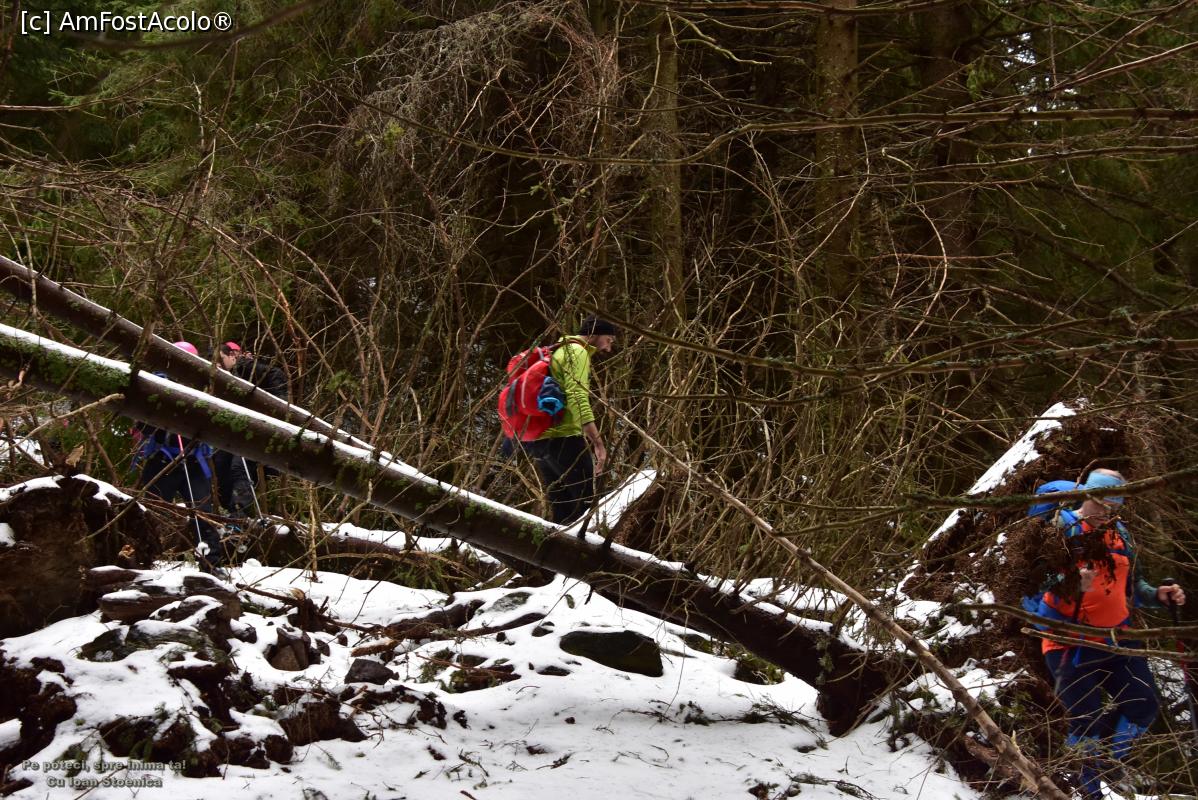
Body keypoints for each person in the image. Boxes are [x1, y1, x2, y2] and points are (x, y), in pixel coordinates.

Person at [1035, 468, 1186, 799]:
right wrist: (1070, 584)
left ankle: (1104, 763)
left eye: (1115, 507)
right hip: (1068, 642)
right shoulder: (1061, 529)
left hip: (1118, 639)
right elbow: (1035, 582)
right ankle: (1086, 788)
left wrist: (1159, 596)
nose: (1107, 512)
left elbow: (1133, 587)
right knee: (1086, 717)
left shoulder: (1121, 534)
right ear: (1087, 495)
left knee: (1143, 705)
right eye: (1102, 504)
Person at [133, 341, 223, 571]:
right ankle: (137, 557)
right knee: (149, 512)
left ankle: (210, 563)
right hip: (164, 460)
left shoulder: (204, 387)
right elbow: (143, 425)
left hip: (194, 461)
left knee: (203, 514)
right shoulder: (156, 384)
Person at [521, 316, 617, 526]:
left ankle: (555, 546)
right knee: (588, 505)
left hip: (540, 439)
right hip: (564, 437)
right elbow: (577, 396)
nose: (608, 348)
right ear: (594, 334)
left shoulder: (559, 349)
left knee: (562, 508)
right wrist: (597, 442)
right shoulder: (577, 352)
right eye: (608, 340)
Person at [213, 341, 288, 517]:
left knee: (239, 467)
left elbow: (276, 380)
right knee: (220, 464)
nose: (218, 364)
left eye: (221, 359)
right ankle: (229, 509)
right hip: (235, 433)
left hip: (256, 431)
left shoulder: (248, 368)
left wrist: (272, 412)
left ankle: (239, 512)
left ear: (233, 356)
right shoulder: (225, 376)